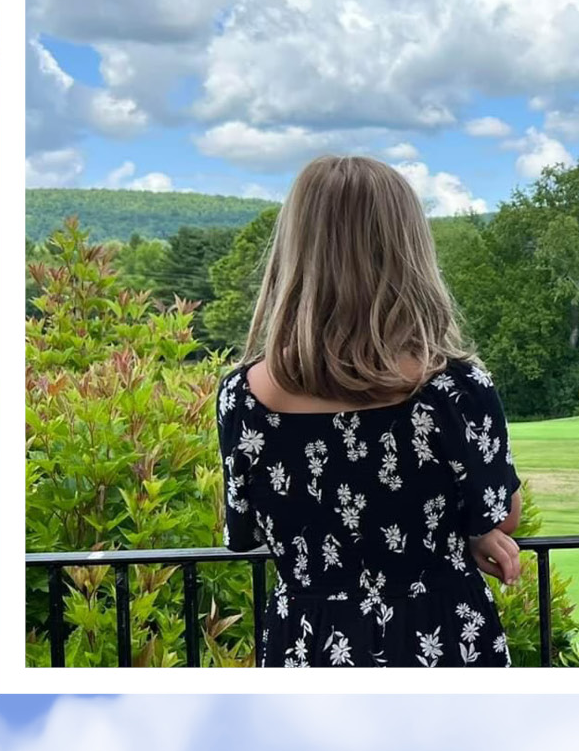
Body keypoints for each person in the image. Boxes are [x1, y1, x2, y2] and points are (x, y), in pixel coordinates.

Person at [215, 155, 523, 668]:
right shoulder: (455, 387)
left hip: (308, 645)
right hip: (442, 636)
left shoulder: (242, 396)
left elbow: (244, 531)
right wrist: (455, 540)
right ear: (409, 252)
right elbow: (498, 511)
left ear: (294, 253)